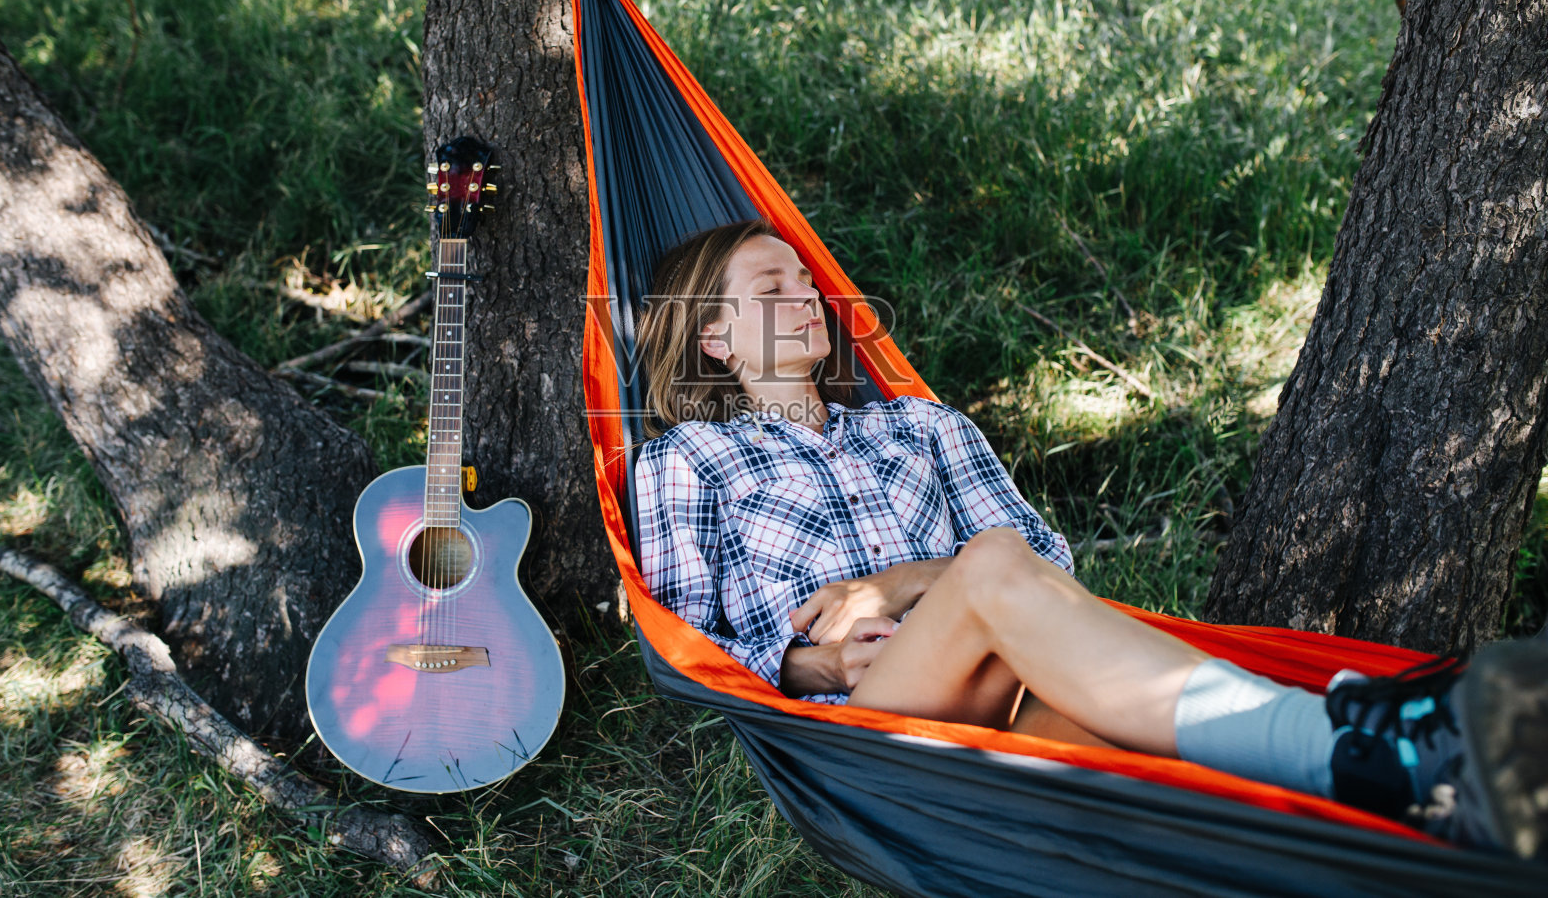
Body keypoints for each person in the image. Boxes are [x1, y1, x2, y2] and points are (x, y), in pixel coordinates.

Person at [632, 219, 1548, 858]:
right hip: (860, 726)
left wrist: (910, 578)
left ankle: (1408, 797)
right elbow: (683, 641)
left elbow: (1040, 559)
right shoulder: (689, 458)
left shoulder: (921, 424)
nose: (808, 294)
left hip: (1007, 681)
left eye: (805, 276)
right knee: (992, 568)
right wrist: (812, 666)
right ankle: (1353, 734)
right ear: (715, 340)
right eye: (772, 286)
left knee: (1159, 782)